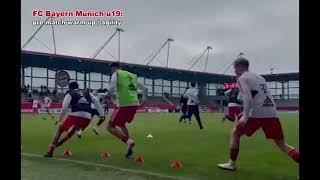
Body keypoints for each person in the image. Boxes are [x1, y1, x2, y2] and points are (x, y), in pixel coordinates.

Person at [218, 58, 299, 170]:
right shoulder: (260, 77)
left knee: (235, 133)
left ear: (240, 66)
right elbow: (259, 96)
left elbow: (247, 97)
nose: (235, 71)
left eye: (235, 68)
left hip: (257, 113)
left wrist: (245, 117)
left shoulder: (243, 78)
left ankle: (232, 164)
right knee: (282, 145)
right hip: (271, 112)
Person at [44, 82, 104, 157]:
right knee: (73, 131)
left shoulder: (70, 93)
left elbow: (64, 107)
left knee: (60, 130)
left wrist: (60, 119)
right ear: (78, 86)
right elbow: (96, 100)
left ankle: (50, 151)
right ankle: (60, 142)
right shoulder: (87, 92)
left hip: (76, 114)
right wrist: (101, 114)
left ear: (70, 88)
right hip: (88, 117)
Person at [106, 62, 147, 158]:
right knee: (121, 124)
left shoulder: (116, 74)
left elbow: (111, 89)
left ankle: (128, 141)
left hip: (124, 104)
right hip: (134, 104)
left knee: (110, 127)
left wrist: (110, 96)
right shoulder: (132, 76)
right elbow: (144, 88)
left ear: (114, 68)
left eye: (112, 69)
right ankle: (129, 148)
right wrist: (144, 99)